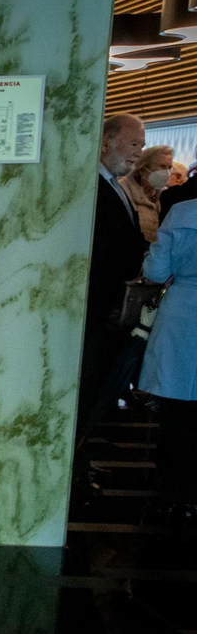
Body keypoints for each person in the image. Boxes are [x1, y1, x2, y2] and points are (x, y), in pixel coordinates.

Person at [77, 114, 147, 451]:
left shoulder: (117, 187)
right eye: (133, 144)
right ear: (105, 142)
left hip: (110, 312)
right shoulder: (89, 186)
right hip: (93, 310)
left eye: (142, 146)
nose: (138, 152)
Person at [139, 200, 197, 526]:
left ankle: (170, 493)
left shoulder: (182, 213)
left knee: (175, 414)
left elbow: (156, 271)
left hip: (181, 316)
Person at [123, 144, 174, 243]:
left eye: (169, 167)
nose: (167, 172)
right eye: (162, 166)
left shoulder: (164, 195)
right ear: (142, 169)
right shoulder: (124, 191)